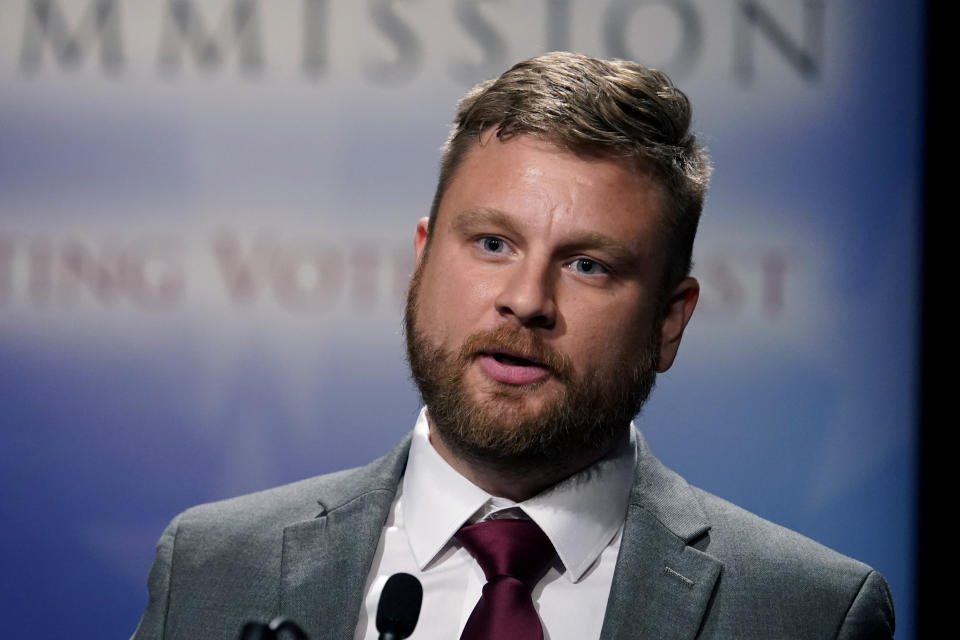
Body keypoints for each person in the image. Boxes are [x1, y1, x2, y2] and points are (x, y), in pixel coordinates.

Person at [131, 52, 894, 640]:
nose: (527, 300)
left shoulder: (807, 612)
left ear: (670, 320)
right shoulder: (213, 567)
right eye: (493, 243)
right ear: (423, 259)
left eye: (588, 265)